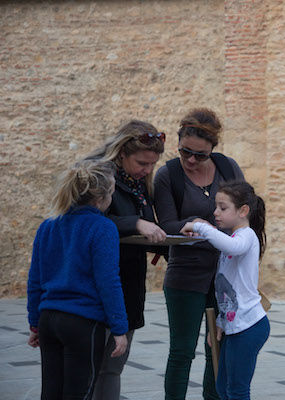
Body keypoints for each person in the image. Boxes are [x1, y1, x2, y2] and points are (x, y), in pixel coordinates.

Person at [153, 108, 244, 400]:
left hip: (226, 275)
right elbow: (166, 224)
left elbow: (246, 211)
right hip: (185, 275)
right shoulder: (168, 175)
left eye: (200, 155)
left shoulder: (228, 168)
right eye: (185, 152)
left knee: (217, 348)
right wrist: (191, 225)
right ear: (178, 143)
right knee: (181, 351)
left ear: (213, 150)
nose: (191, 160)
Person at [27, 159, 129, 400]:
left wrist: (34, 322)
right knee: (79, 392)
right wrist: (119, 328)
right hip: (83, 323)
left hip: (49, 319)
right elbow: (108, 281)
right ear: (101, 198)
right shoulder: (102, 227)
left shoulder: (48, 226)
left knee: (50, 392)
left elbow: (35, 279)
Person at [85, 120, 167, 400]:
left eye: (152, 165)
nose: (147, 170)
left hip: (129, 284)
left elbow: (146, 222)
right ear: (122, 153)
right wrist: (135, 223)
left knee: (112, 369)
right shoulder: (94, 175)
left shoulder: (137, 181)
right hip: (96, 285)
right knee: (88, 371)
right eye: (142, 163)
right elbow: (86, 221)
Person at [180, 181, 269, 400]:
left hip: (249, 326)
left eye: (222, 207)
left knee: (237, 391)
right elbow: (229, 291)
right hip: (234, 325)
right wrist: (221, 321)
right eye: (216, 206)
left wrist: (200, 226)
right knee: (222, 388)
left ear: (243, 211)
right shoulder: (232, 238)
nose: (215, 212)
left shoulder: (246, 236)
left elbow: (232, 247)